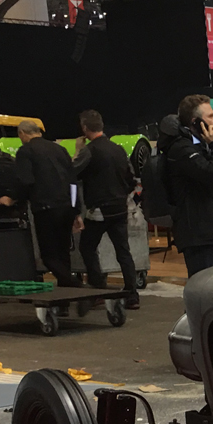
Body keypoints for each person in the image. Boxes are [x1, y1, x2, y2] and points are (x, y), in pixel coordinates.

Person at [165, 94, 213, 278]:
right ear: (195, 121)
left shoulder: (198, 146)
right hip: (197, 234)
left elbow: (201, 183)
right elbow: (212, 173)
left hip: (207, 232)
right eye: (210, 116)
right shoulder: (182, 149)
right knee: (201, 288)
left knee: (208, 289)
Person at [72, 109, 140, 305]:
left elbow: (72, 172)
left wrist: (77, 150)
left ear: (85, 128)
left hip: (99, 209)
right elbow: (130, 178)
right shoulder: (118, 149)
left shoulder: (89, 151)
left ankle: (98, 291)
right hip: (119, 207)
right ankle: (132, 294)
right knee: (123, 251)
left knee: (87, 246)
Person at [5, 119, 79, 287]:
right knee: (63, 253)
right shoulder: (60, 150)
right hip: (67, 207)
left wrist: (13, 199)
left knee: (48, 256)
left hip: (45, 209)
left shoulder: (26, 151)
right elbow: (73, 182)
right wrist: (76, 209)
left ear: (22, 134)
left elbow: (26, 181)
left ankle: (75, 286)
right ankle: (66, 299)